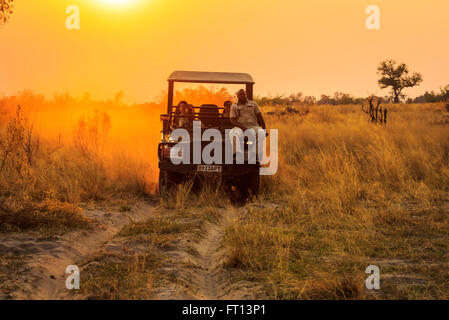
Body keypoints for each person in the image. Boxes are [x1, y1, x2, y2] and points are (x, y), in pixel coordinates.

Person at [230, 89, 267, 160]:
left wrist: (264, 129)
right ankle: (236, 153)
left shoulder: (253, 104)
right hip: (240, 127)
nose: (242, 96)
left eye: (243, 94)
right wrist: (244, 129)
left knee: (261, 133)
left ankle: (255, 154)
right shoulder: (234, 106)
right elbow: (233, 120)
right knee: (233, 133)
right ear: (237, 96)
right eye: (240, 95)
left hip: (253, 126)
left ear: (246, 95)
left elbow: (259, 116)